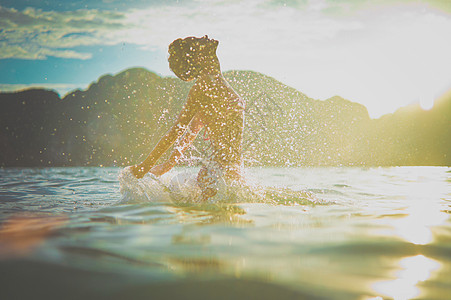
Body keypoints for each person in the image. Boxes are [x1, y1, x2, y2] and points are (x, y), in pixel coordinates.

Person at [131, 36, 245, 201]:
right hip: (221, 171)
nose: (204, 37)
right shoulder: (207, 88)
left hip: (220, 171)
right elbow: (182, 131)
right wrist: (154, 165)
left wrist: (160, 163)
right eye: (198, 40)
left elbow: (187, 129)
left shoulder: (211, 85)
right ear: (199, 57)